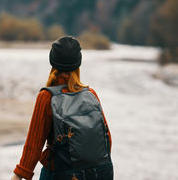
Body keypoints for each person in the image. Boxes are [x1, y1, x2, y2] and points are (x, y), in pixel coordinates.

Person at [11, 36, 113, 180]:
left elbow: (34, 145)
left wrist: (19, 175)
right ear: (78, 64)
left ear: (52, 62)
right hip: (96, 173)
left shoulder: (47, 97)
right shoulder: (91, 94)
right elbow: (107, 139)